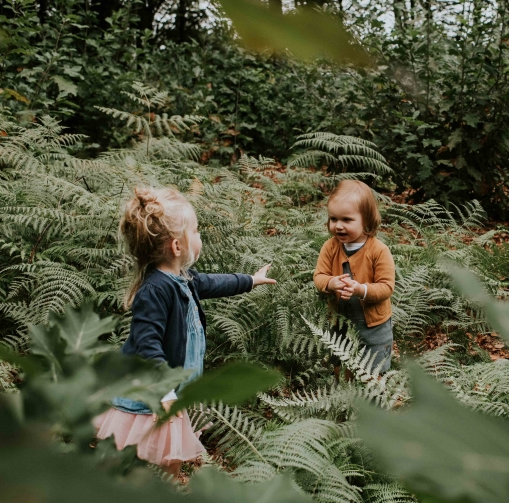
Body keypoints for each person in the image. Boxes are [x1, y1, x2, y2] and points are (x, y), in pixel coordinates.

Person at [93, 187, 275, 476]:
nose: (200, 236)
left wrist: (250, 280)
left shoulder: (182, 278)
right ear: (177, 246)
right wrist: (164, 392)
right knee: (136, 448)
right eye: (197, 231)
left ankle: (171, 483)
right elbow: (146, 343)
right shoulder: (154, 289)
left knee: (169, 445)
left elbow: (213, 283)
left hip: (173, 387)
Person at [313, 180, 395, 375]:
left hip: (373, 324)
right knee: (340, 358)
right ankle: (342, 395)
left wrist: (361, 290)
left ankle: (373, 398)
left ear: (366, 220)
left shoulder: (379, 251)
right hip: (340, 319)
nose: (338, 226)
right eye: (333, 219)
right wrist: (330, 283)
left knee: (373, 364)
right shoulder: (330, 247)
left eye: (347, 220)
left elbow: (386, 287)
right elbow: (319, 276)